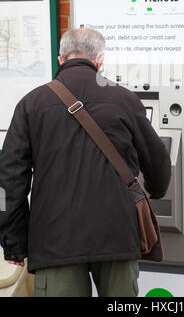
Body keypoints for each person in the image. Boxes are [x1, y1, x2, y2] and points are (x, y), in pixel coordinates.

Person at [0, 28, 171, 297]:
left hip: (55, 239)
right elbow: (158, 160)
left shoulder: (31, 105)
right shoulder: (125, 99)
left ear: (60, 59)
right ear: (100, 60)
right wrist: (157, 190)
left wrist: (14, 243)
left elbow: (10, 181)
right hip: (116, 232)